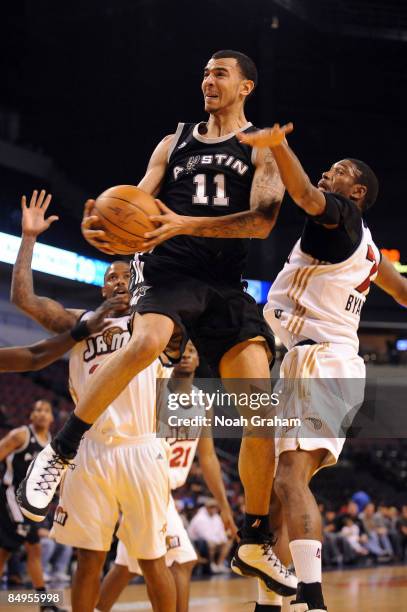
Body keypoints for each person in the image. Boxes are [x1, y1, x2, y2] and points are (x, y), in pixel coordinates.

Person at [18, 51, 296, 596]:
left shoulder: (263, 146)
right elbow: (139, 202)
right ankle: (64, 447)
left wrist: (182, 222)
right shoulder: (174, 142)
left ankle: (254, 537)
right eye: (205, 73)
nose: (207, 80)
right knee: (146, 340)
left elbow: (263, 223)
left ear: (246, 87)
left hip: (224, 282)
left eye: (220, 74)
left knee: (261, 408)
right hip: (169, 270)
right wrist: (102, 218)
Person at [236, 122, 407, 611]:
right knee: (281, 486)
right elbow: (400, 291)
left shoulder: (343, 215)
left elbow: (308, 197)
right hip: (318, 360)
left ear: (357, 191)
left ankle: (313, 601)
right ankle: (270, 602)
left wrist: (278, 146)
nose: (328, 173)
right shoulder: (370, 249)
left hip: (320, 358)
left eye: (339, 171)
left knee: (289, 478)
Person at [11, 193, 177, 612]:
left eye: (125, 276)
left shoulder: (151, 322)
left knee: (152, 559)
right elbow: (25, 301)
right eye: (110, 276)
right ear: (102, 286)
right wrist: (29, 238)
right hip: (86, 450)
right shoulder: (78, 324)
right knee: (89, 557)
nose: (118, 281)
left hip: (141, 447)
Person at [95, 341, 237, 612]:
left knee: (127, 566)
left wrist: (225, 507)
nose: (186, 354)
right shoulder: (153, 393)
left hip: (163, 489)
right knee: (181, 561)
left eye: (192, 351)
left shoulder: (202, 402)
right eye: (181, 349)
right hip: (143, 480)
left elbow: (207, 458)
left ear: (198, 361)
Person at [0, 400, 65, 612]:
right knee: (34, 547)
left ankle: (45, 604)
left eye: (46, 410)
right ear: (31, 415)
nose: (42, 414)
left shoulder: (52, 443)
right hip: (11, 496)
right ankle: (45, 604)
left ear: (52, 418)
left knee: (6, 551)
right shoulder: (20, 435)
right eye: (37, 409)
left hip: (30, 503)